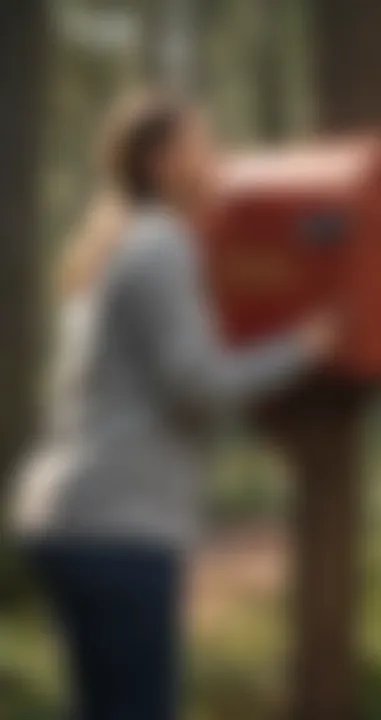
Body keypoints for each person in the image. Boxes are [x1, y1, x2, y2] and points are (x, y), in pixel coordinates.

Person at [8, 91, 337, 720]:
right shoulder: (162, 245)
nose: (221, 159)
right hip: (117, 528)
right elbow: (201, 383)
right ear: (163, 164)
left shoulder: (116, 245)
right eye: (205, 145)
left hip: (68, 519)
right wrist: (304, 346)